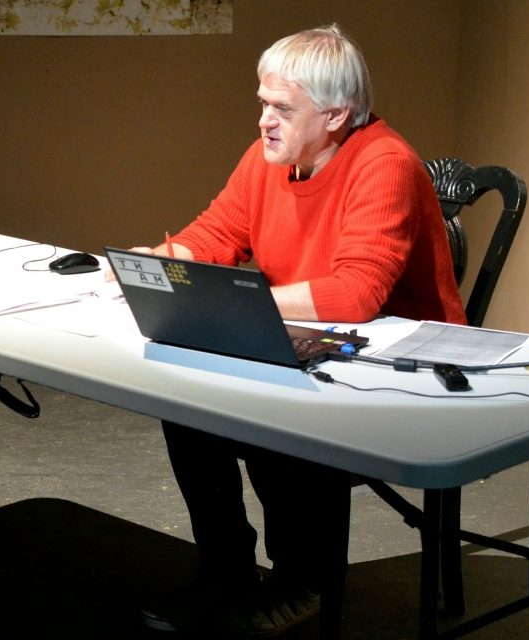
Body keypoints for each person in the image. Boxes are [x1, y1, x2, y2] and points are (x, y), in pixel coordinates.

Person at [125, 25, 466, 637]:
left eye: (282, 108)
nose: (264, 121)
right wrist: (155, 266)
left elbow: (356, 293)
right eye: (263, 103)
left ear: (335, 114)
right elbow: (216, 233)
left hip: (401, 367)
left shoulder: (384, 163)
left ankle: (303, 581)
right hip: (311, 342)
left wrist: (245, 302)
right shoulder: (269, 158)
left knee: (274, 418)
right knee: (183, 401)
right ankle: (227, 569)